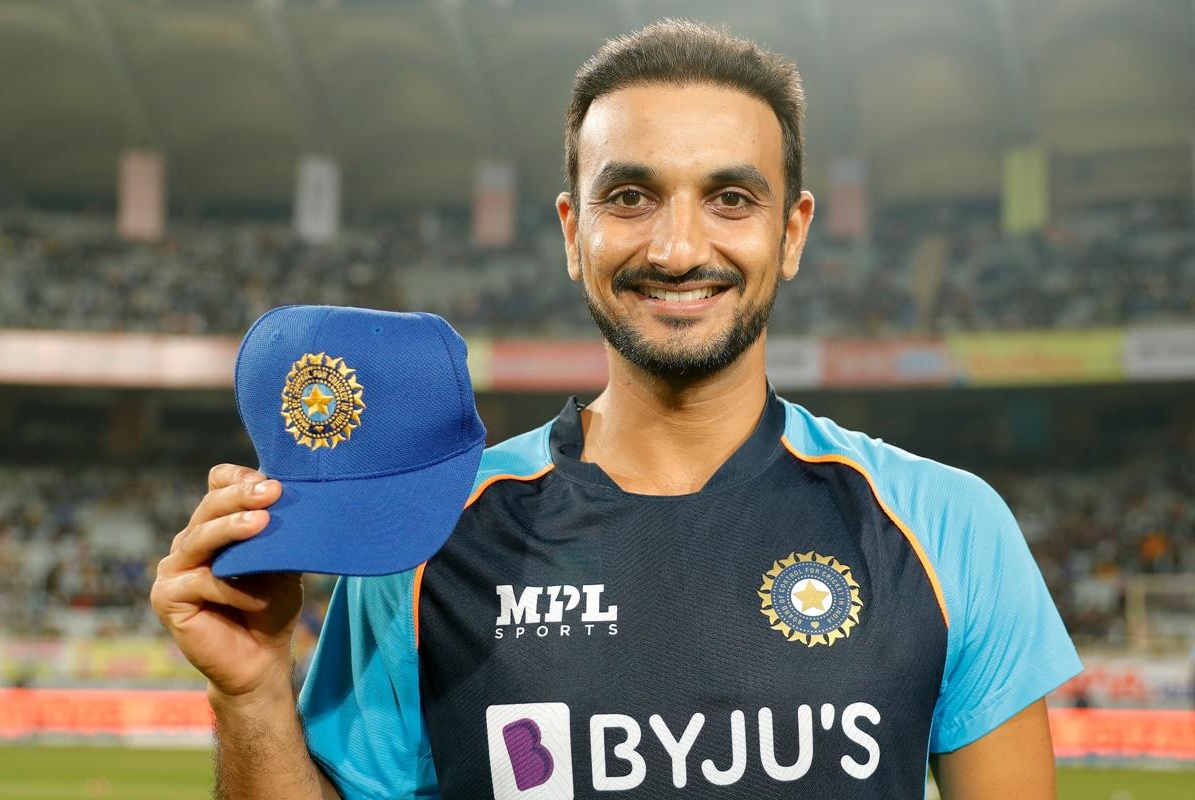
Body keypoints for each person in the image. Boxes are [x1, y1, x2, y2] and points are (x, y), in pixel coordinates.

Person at [152, 19, 1081, 800]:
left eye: (730, 197)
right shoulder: (430, 538)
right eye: (631, 196)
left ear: (792, 232)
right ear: (573, 230)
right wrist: (253, 696)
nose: (679, 247)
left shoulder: (946, 528)